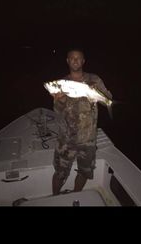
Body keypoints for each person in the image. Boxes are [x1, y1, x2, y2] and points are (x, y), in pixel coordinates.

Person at [50, 49, 112, 195]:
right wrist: (61, 101)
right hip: (66, 139)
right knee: (60, 173)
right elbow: (57, 111)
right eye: (72, 58)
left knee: (84, 172)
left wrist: (98, 95)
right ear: (67, 61)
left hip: (88, 139)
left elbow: (107, 98)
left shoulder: (94, 79)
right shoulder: (62, 83)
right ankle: (55, 198)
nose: (75, 60)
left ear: (83, 61)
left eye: (78, 58)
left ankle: (76, 194)